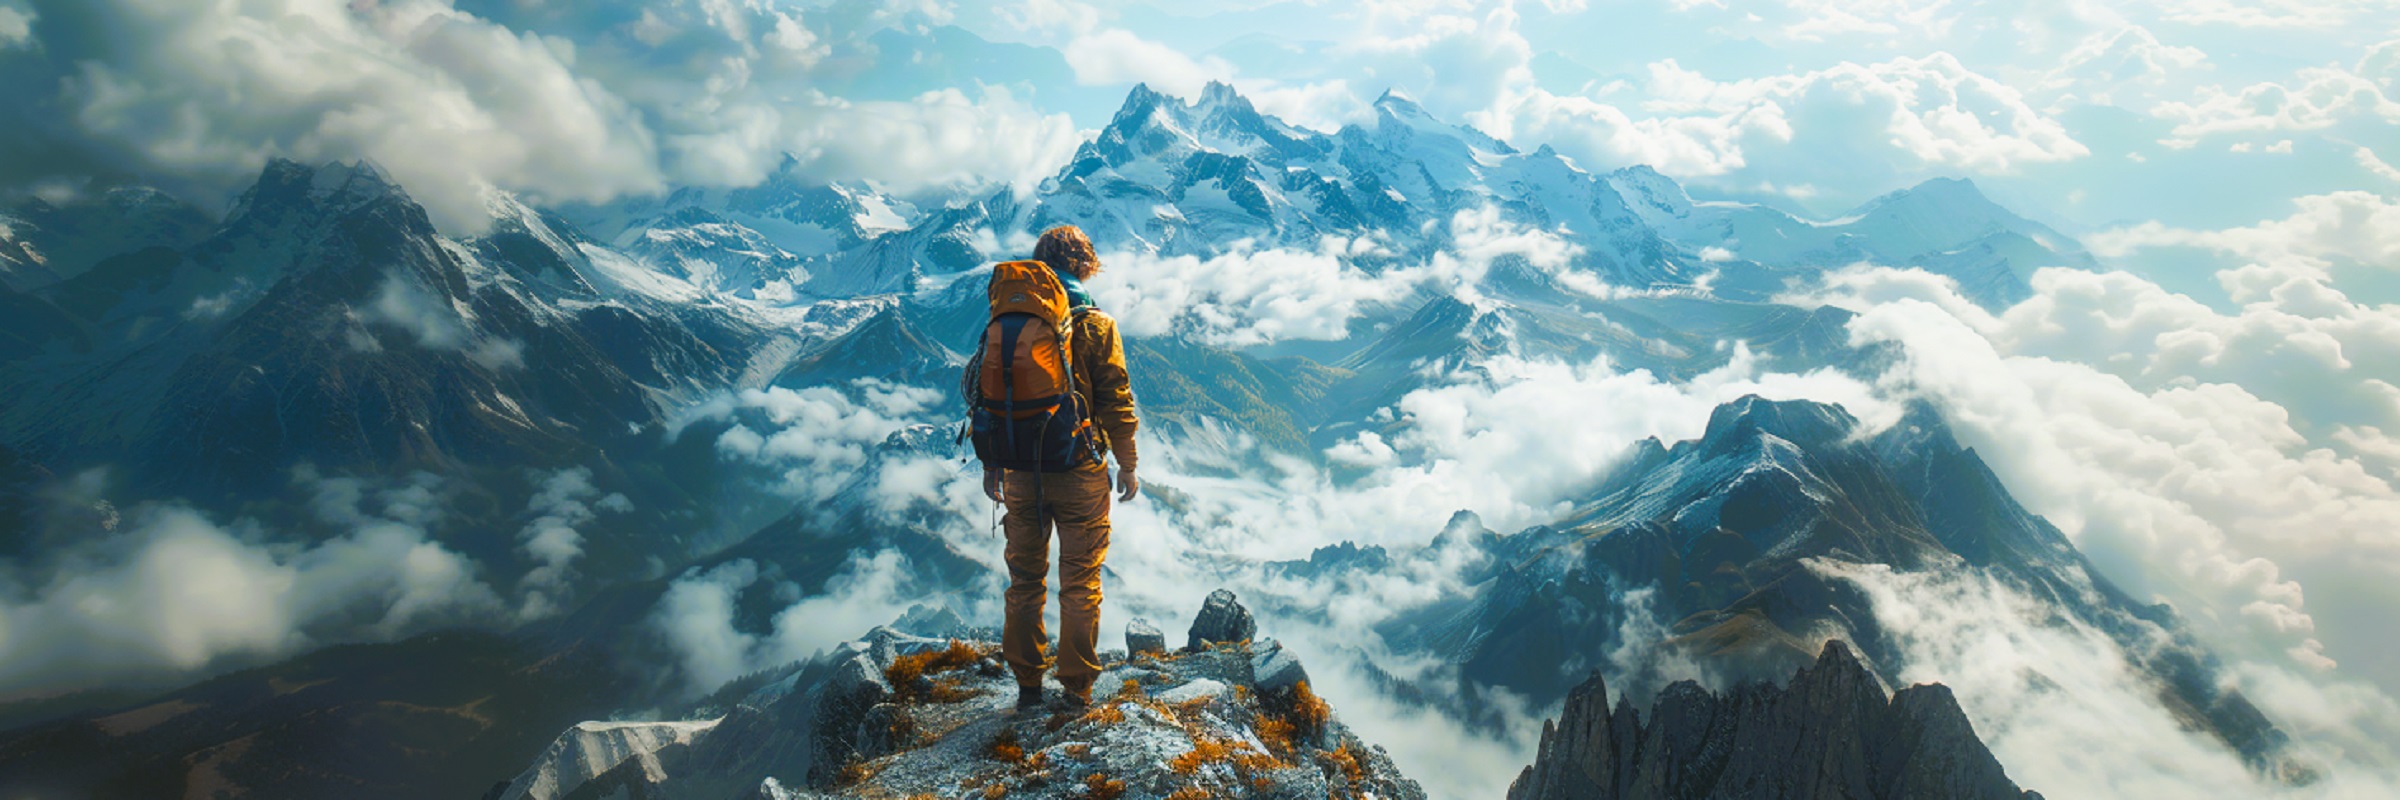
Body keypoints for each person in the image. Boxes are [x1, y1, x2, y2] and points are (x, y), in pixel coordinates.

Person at [979, 225, 1140, 711]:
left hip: (1020, 471)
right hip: (1080, 470)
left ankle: (1028, 684)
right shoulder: (1096, 324)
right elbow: (1116, 401)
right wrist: (1127, 464)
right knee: (1080, 581)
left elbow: (988, 397)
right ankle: (1076, 689)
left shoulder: (1008, 319)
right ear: (1085, 266)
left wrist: (993, 466)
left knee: (1024, 580)